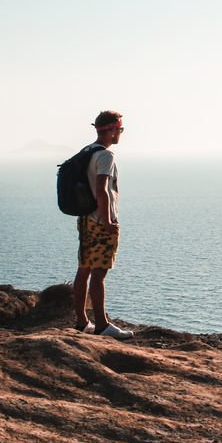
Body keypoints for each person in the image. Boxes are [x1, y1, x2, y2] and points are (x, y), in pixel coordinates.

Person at [73, 110, 133, 339]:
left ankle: (82, 321)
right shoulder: (106, 156)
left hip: (86, 219)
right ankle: (102, 325)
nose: (120, 133)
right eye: (119, 129)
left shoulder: (87, 151)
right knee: (99, 274)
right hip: (100, 221)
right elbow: (102, 190)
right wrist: (108, 221)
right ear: (110, 129)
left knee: (83, 270)